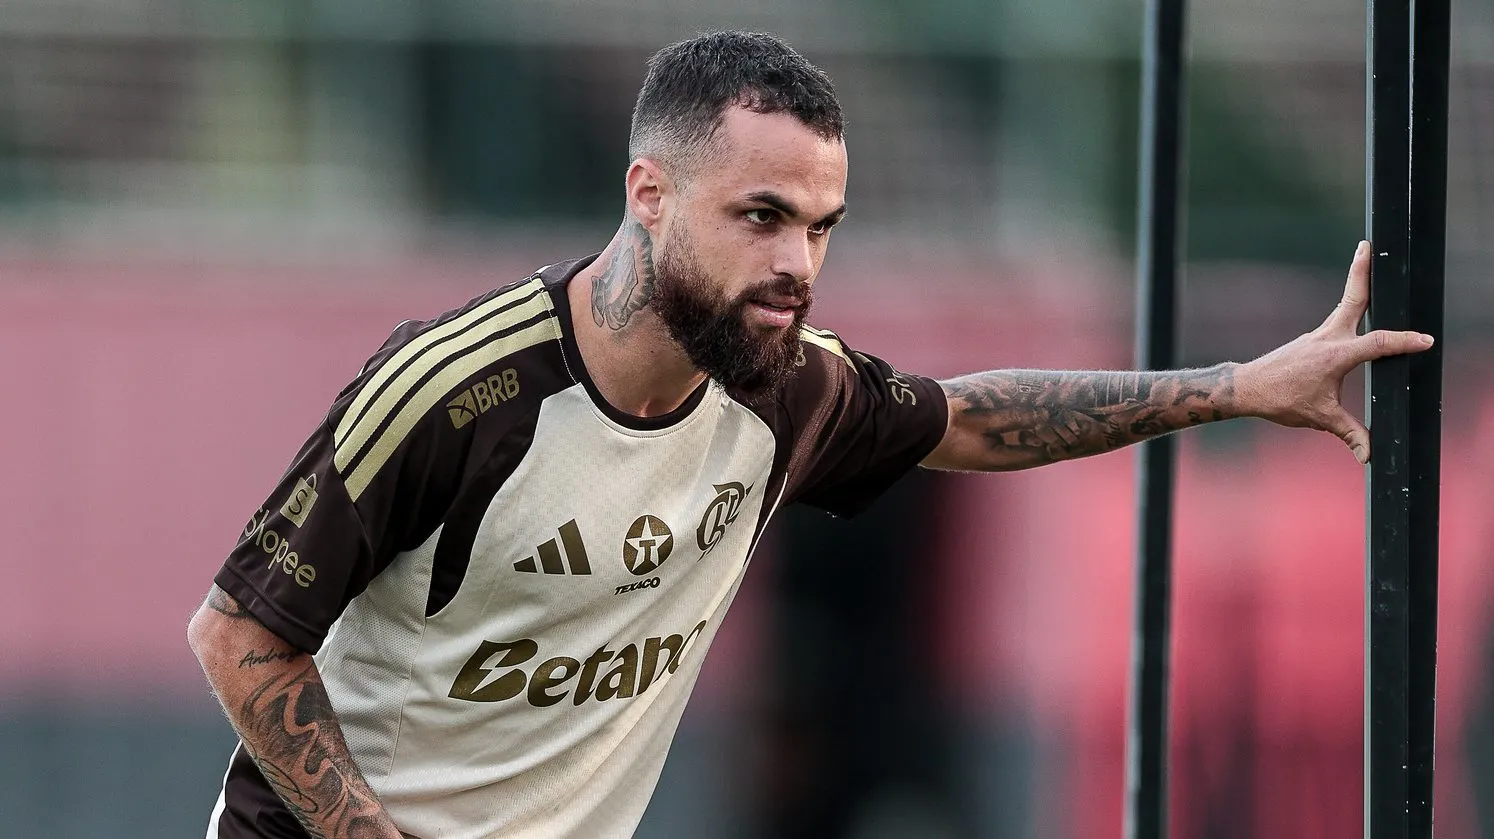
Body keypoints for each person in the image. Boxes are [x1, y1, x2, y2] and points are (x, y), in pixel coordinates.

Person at [186, 30, 1433, 839]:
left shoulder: (790, 390)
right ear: (649, 194)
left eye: (823, 226)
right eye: (764, 215)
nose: (796, 265)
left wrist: (1234, 385)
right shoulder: (455, 390)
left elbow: (976, 418)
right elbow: (239, 631)